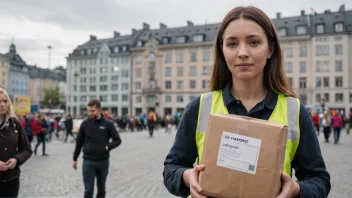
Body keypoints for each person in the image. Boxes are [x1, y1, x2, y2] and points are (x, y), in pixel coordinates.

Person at [163, 6, 330, 198]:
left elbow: (319, 181)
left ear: (270, 49)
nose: (242, 52)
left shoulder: (294, 110)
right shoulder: (199, 107)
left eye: (253, 42)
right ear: (222, 50)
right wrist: (187, 176)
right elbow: (171, 169)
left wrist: (296, 189)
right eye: (232, 44)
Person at [73, 99, 122, 198]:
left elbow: (117, 140)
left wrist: (108, 147)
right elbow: (79, 142)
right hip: (88, 162)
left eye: (93, 111)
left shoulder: (108, 124)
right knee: (88, 191)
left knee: (101, 190)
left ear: (99, 110)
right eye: (89, 111)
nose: (90, 113)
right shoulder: (85, 124)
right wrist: (75, 159)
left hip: (103, 162)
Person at [0, 88, 32, 197]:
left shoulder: (15, 124)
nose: (2, 104)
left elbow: (26, 149)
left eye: (5, 101)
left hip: (11, 180)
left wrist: (16, 159)